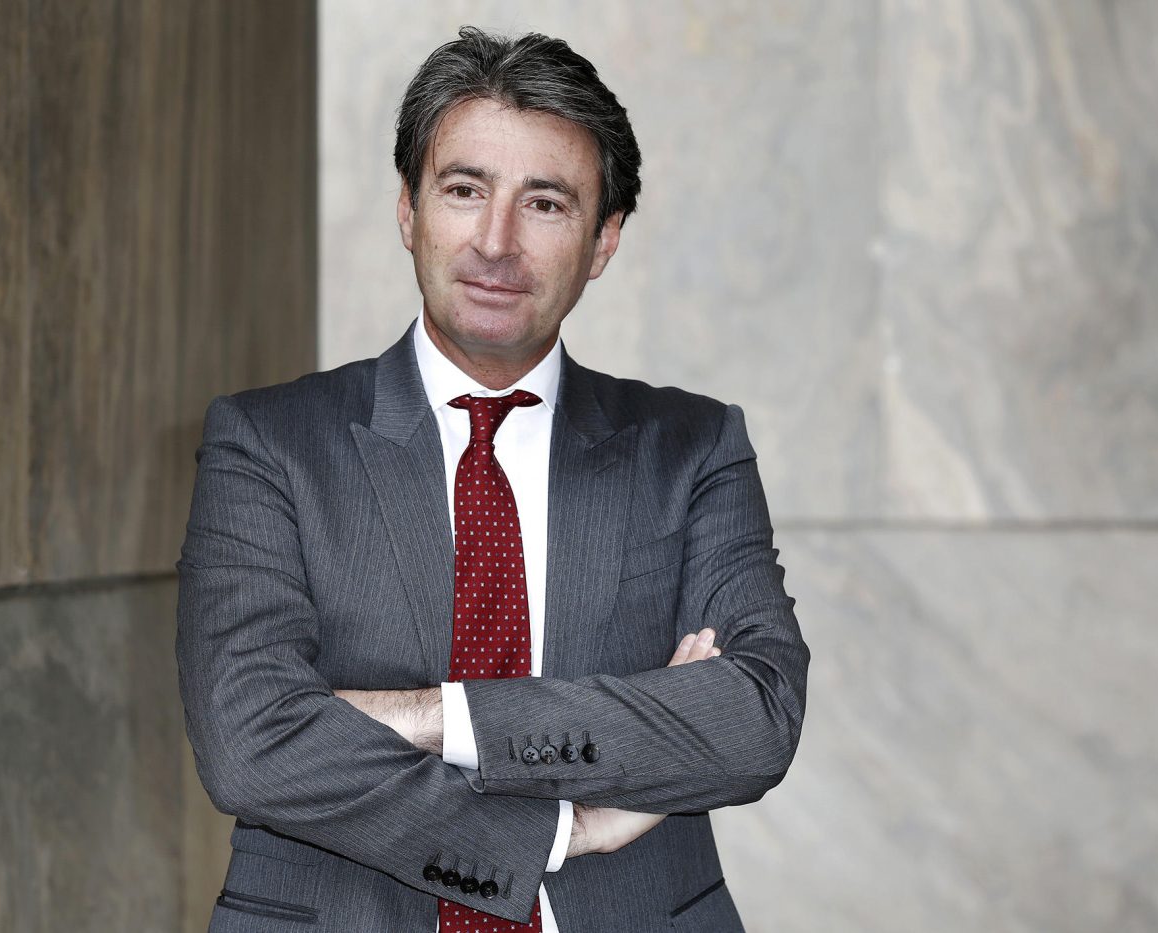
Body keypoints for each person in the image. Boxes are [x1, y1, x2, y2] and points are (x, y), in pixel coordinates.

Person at [177, 26, 809, 933]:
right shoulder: (269, 445)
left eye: (545, 203)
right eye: (464, 190)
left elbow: (755, 716)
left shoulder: (691, 449)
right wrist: (556, 831)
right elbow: (248, 743)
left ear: (603, 240)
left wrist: (441, 716)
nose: (496, 242)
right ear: (409, 210)